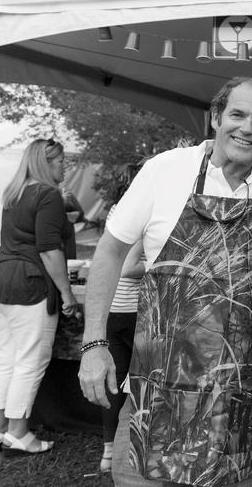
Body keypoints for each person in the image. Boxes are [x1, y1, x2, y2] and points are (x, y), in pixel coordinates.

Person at [78, 76, 252, 487]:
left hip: (245, 393)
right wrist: (94, 343)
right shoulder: (164, 170)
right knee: (139, 478)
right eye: (238, 115)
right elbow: (108, 252)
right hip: (163, 386)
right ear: (214, 117)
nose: (247, 129)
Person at [0, 138, 80, 456]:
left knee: (5, 357)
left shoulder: (15, 193)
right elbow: (49, 248)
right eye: (62, 161)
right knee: (29, 361)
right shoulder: (47, 194)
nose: (65, 166)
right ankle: (19, 434)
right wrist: (67, 293)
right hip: (30, 283)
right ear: (46, 163)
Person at [97, 161, 148, 473]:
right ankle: (131, 453)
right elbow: (129, 267)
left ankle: (107, 453)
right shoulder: (140, 211)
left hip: (113, 307)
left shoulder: (116, 209)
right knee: (134, 384)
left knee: (114, 383)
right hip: (131, 308)